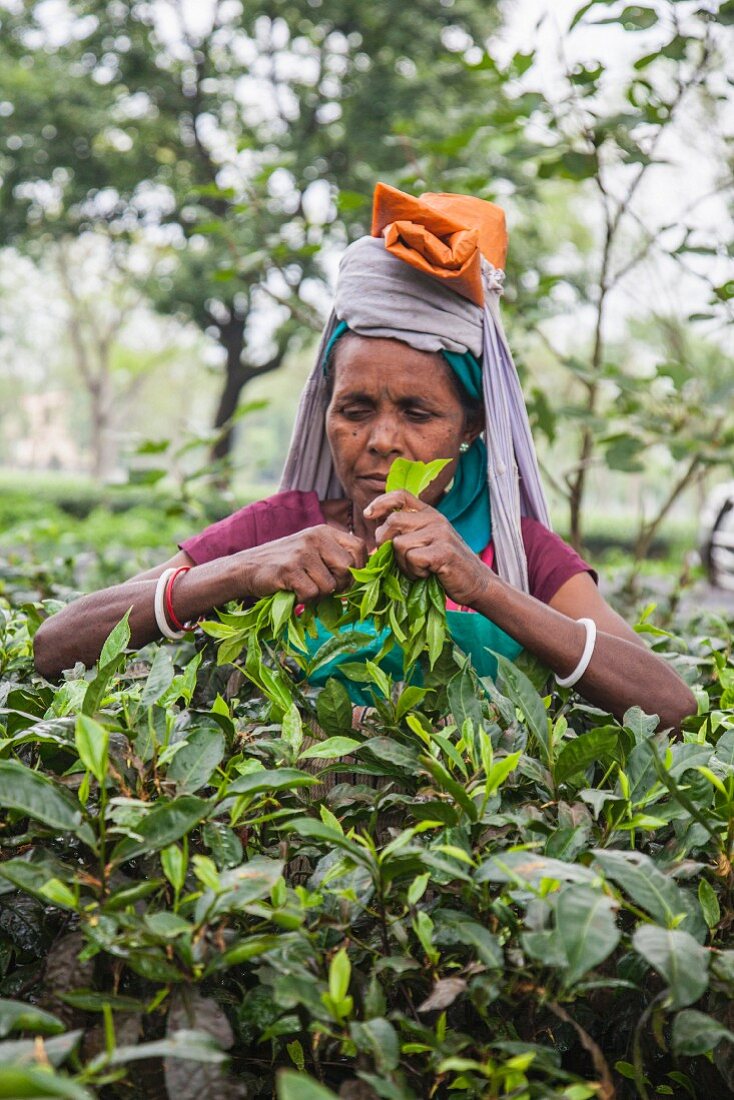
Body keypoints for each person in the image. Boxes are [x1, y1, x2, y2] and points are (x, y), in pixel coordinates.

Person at [34, 183, 696, 731]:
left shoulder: (516, 552)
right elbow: (54, 646)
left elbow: (670, 704)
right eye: (355, 410)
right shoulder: (277, 529)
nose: (381, 440)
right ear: (325, 411)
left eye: (417, 413)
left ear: (472, 425)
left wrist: (481, 587)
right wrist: (237, 571)